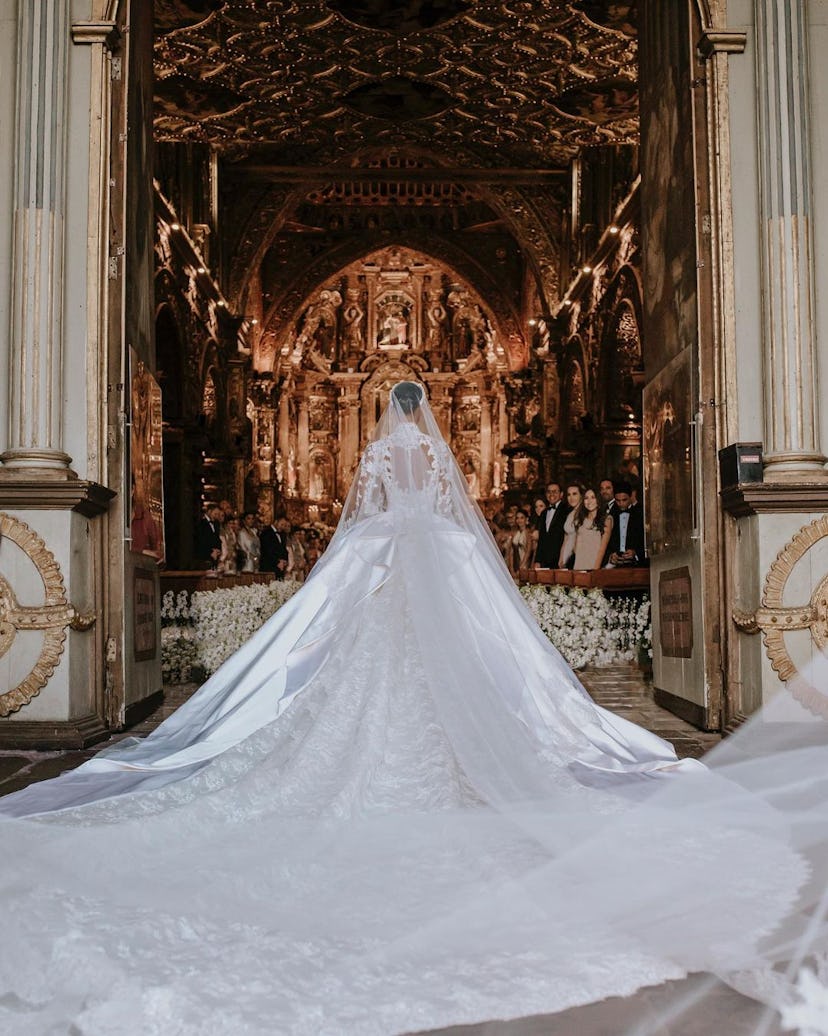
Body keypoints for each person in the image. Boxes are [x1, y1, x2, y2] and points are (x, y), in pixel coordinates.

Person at [0, 382, 823, 1036]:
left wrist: (378, 546)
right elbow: (440, 512)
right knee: (443, 675)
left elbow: (368, 519)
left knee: (364, 679)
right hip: (431, 561)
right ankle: (467, 767)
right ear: (423, 413)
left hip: (381, 570)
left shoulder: (376, 464)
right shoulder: (434, 459)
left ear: (380, 416)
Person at [604, 480, 645, 567]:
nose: (621, 503)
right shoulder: (610, 516)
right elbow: (605, 541)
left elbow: (644, 540)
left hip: (637, 566)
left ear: (631, 496)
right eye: (618, 500)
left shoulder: (640, 514)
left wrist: (635, 553)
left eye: (624, 500)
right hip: (615, 566)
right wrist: (611, 555)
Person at [572, 487, 613, 571]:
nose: (589, 501)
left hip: (594, 566)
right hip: (578, 565)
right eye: (586, 498)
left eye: (593, 497)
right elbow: (576, 547)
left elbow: (602, 549)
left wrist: (595, 570)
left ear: (598, 500)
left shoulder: (607, 519)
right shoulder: (580, 520)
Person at [534, 481, 569, 568]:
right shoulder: (543, 513)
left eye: (555, 491)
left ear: (561, 494)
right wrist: (537, 560)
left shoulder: (567, 510)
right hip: (545, 561)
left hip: (561, 559)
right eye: (549, 492)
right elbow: (541, 539)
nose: (551, 494)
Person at [558, 482, 583, 568]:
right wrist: (561, 557)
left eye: (574, 494)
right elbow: (566, 538)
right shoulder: (570, 514)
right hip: (566, 554)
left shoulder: (583, 513)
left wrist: (571, 558)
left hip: (576, 556)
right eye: (569, 495)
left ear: (581, 495)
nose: (571, 498)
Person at [259, 513, 290, 578]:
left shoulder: (282, 534)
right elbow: (267, 551)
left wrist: (284, 560)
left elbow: (284, 549)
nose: (283, 527)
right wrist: (277, 562)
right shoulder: (266, 533)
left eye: (284, 525)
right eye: (281, 524)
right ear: (276, 522)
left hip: (280, 568)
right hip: (269, 567)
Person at [507, 508, 533, 578]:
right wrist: (511, 567)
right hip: (514, 563)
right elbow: (511, 551)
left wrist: (522, 566)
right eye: (517, 518)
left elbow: (528, 551)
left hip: (524, 563)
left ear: (526, 519)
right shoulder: (515, 533)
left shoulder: (528, 533)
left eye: (522, 518)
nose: (519, 520)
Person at [195, 504, 223, 569]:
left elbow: (217, 539)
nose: (217, 516)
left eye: (218, 514)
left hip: (215, 557)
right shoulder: (201, 523)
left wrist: (218, 550)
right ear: (209, 511)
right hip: (204, 557)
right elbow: (200, 541)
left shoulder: (216, 523)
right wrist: (210, 552)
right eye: (215, 514)